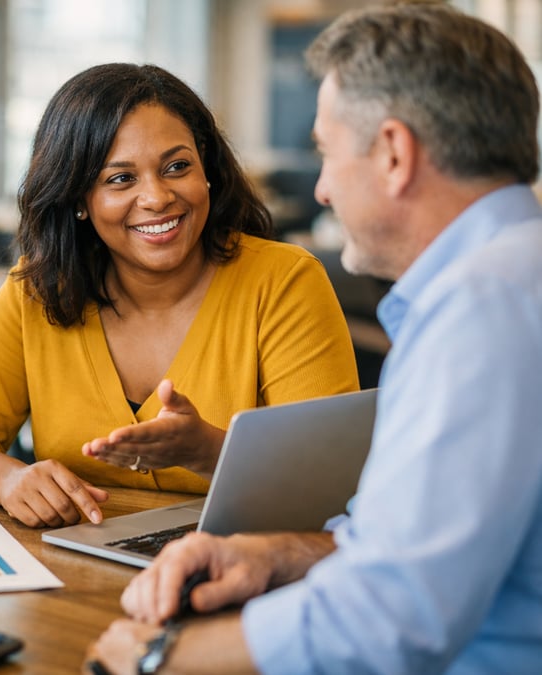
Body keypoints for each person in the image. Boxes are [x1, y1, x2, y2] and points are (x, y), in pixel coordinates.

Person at [86, 3, 542, 673]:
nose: (323, 189)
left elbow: (393, 618)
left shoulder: (481, 310)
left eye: (326, 152)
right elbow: (408, 547)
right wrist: (272, 555)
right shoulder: (511, 274)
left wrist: (165, 655)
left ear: (392, 153)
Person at [0, 62, 359, 528]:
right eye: (120, 179)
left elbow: (328, 480)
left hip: (246, 566)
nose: (157, 197)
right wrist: (5, 479)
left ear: (207, 170)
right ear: (79, 198)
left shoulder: (284, 282)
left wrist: (209, 451)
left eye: (177, 167)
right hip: (75, 573)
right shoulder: (39, 291)